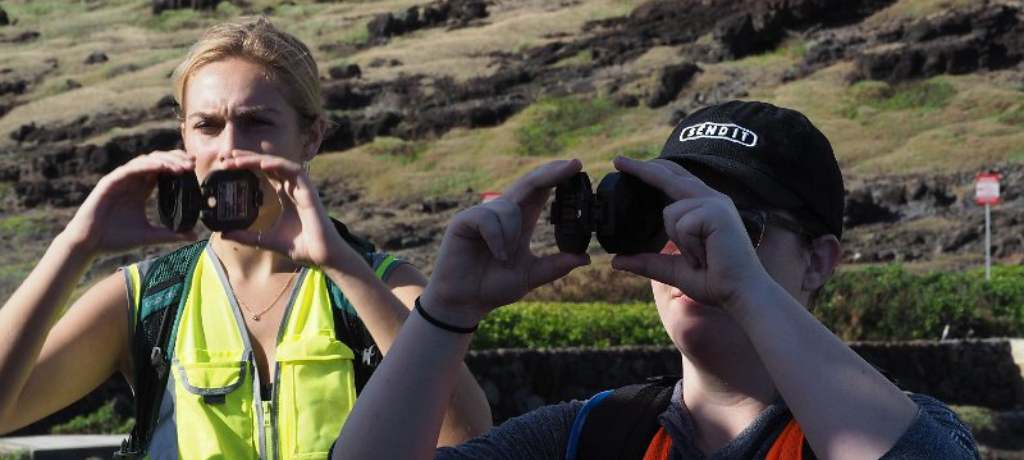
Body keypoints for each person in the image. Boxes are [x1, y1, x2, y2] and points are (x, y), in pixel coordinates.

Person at [332, 101, 981, 459]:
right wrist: (446, 311)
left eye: (734, 226)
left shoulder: (908, 428)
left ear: (818, 260)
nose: (693, 247)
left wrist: (746, 290)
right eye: (662, 217)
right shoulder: (588, 437)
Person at [0, 17, 491, 459]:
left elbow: (470, 443)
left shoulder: (387, 286)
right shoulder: (147, 299)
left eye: (256, 123)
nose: (230, 148)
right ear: (185, 140)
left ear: (312, 137)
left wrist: (345, 268)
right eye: (207, 126)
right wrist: (74, 247)